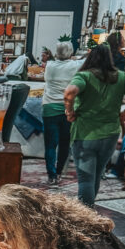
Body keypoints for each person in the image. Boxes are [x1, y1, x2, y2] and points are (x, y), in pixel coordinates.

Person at [64, 43, 125, 206]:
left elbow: (69, 92)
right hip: (110, 133)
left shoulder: (84, 76)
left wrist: (69, 112)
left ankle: (84, 217)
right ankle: (89, 213)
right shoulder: (121, 77)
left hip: (85, 133)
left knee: (86, 179)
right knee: (95, 175)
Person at [41, 40, 83, 184]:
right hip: (67, 108)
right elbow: (87, 60)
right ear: (70, 53)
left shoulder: (50, 65)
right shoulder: (75, 65)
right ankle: (59, 172)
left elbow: (46, 79)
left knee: (50, 145)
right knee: (64, 143)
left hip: (49, 108)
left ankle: (51, 175)